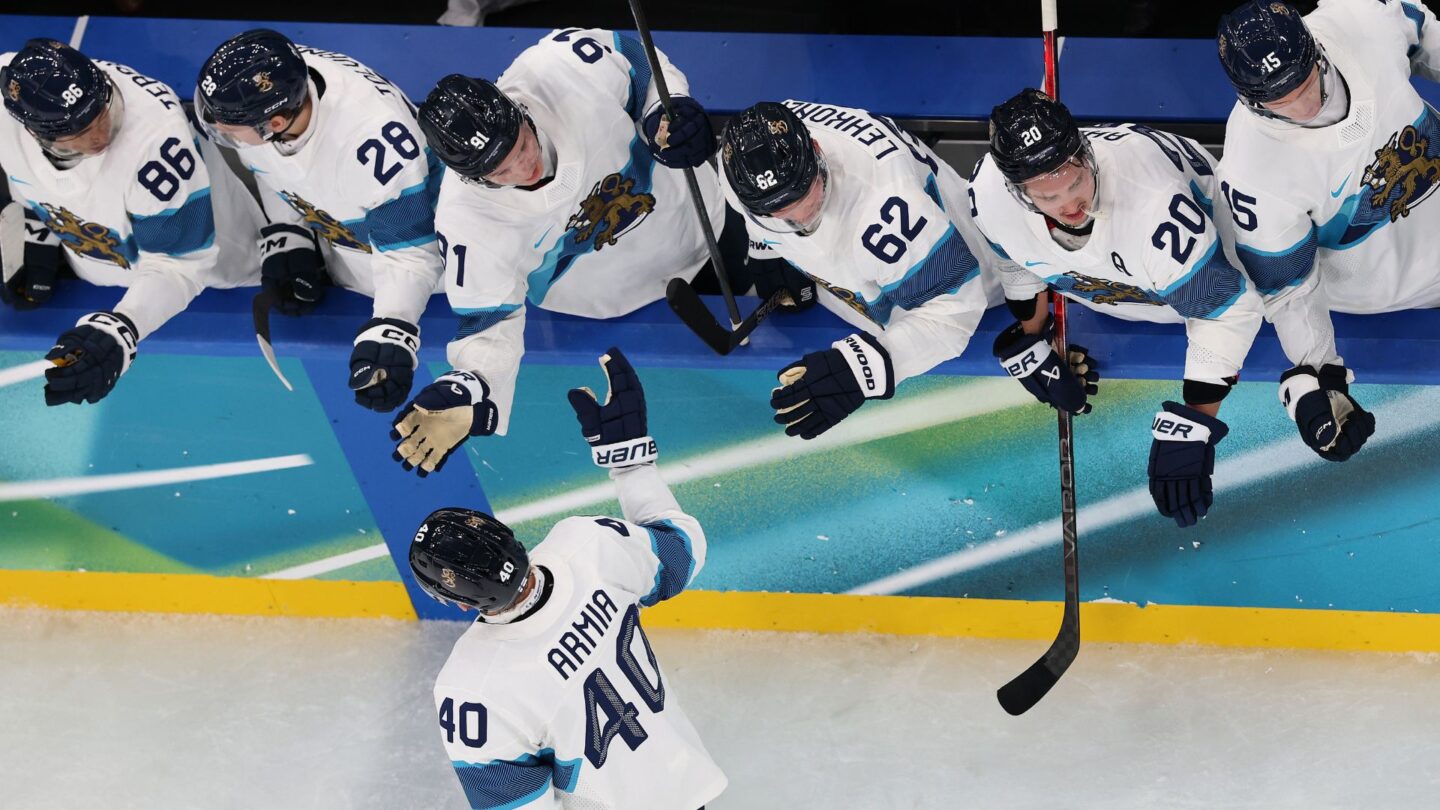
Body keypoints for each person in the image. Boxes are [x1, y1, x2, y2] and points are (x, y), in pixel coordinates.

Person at [391, 27, 811, 476]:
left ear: (517, 110)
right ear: (471, 177)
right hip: (625, 308)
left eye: (521, 144)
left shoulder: (557, 69)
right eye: (500, 170)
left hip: (701, 220)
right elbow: (489, 324)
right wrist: (470, 385)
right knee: (715, 410)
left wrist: (663, 113)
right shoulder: (468, 222)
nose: (523, 165)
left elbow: (637, 56)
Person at [412, 347, 726, 810]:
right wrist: (631, 464)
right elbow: (685, 549)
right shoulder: (587, 545)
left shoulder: (472, 687)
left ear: (460, 602)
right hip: (689, 791)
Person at [972, 89, 1266, 527]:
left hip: (1200, 279)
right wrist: (1033, 333)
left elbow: (1226, 308)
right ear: (1017, 191)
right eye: (1050, 198)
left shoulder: (1152, 206)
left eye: (1076, 183)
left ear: (1086, 155)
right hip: (1129, 287)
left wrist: (1193, 426)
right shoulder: (989, 189)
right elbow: (1010, 255)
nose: (1071, 205)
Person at [1213, 0, 1440, 464]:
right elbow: (1289, 288)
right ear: (1250, 99)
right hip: (1393, 285)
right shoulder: (1252, 172)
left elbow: (1418, 26)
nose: (1304, 103)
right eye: (1281, 99)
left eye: (1304, 81)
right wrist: (1321, 371)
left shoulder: (1358, 19)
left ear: (1314, 50)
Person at [718, 100, 1002, 441]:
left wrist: (864, 367)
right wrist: (768, 249)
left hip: (950, 275)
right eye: (776, 212)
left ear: (817, 151)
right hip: (865, 285)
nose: (801, 218)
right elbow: (762, 211)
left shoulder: (886, 204)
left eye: (803, 196)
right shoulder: (743, 164)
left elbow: (952, 313)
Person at [194, 29, 445, 413]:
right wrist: (289, 230)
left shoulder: (372, 141)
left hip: (423, 276)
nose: (221, 132)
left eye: (229, 128)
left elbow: (412, 254)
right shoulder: (282, 80)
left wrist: (393, 326)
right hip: (345, 245)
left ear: (275, 123)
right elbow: (273, 168)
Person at [0, 38, 261, 406]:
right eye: (79, 132)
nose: (101, 135)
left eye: (101, 112)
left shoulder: (155, 140)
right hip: (95, 269)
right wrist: (38, 227)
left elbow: (180, 265)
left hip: (215, 283)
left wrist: (122, 327)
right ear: (33, 130)